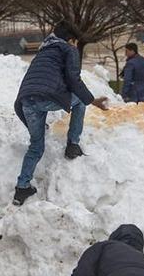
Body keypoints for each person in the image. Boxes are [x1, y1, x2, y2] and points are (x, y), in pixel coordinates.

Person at [12, 21, 109, 206]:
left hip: (26, 101)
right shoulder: (68, 49)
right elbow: (74, 79)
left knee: (36, 146)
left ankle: (22, 188)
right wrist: (93, 101)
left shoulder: (43, 51)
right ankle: (73, 144)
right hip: (46, 97)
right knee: (80, 101)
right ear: (71, 40)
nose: (76, 46)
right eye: (76, 43)